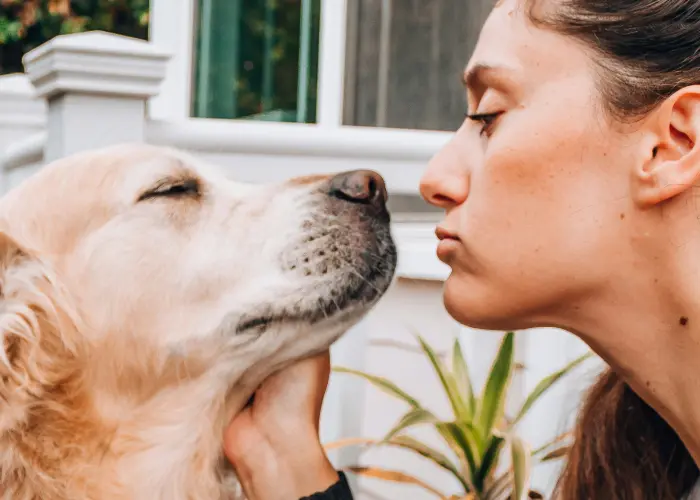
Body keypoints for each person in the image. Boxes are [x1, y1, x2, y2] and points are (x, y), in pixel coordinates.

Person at [223, 0, 700, 498]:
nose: (435, 180)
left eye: (488, 115)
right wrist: (280, 453)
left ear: (672, 144)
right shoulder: (649, 465)